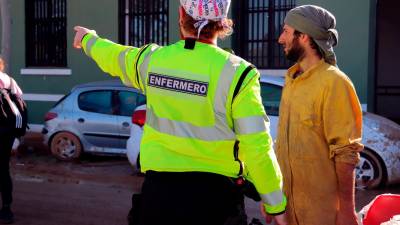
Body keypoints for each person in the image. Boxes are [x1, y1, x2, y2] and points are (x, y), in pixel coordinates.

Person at [73, 1, 287, 224]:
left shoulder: (152, 60)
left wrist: (88, 39)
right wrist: (275, 203)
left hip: (158, 199)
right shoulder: (239, 73)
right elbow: (257, 146)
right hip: (215, 202)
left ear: (181, 13)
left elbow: (114, 56)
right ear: (222, 22)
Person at [275, 5, 363, 225]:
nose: (280, 39)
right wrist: (273, 200)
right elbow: (282, 147)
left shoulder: (335, 82)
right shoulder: (291, 79)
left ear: (303, 36)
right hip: (287, 212)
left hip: (321, 216)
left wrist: (346, 211)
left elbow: (346, 153)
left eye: (286, 31)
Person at [0, 57, 23, 224]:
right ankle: (7, 209)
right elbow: (20, 103)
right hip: (7, 133)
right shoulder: (10, 80)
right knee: (3, 170)